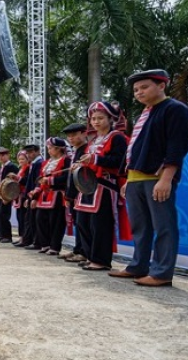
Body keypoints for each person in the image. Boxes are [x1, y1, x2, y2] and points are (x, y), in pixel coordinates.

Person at [108, 69, 188, 287]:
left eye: (144, 87)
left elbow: (177, 145)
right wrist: (128, 179)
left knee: (164, 225)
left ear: (162, 85)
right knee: (140, 226)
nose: (139, 92)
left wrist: (166, 178)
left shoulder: (175, 109)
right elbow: (136, 149)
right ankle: (138, 266)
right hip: (135, 179)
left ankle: (162, 273)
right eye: (136, 89)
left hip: (157, 178)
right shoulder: (145, 113)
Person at [74, 102, 129, 271]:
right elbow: (89, 161)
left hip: (105, 186)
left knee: (100, 224)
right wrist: (80, 165)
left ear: (110, 119)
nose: (96, 122)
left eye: (100, 118)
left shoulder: (117, 137)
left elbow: (120, 162)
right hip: (88, 186)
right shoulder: (94, 140)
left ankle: (101, 260)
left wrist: (95, 160)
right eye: (93, 118)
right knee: (83, 222)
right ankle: (90, 255)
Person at [29, 137, 71, 255]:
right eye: (48, 148)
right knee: (40, 219)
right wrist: (35, 196)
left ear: (59, 149)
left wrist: (50, 180)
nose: (49, 150)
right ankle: (45, 244)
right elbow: (39, 180)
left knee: (56, 221)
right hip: (44, 195)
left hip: (57, 194)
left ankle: (55, 246)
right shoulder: (46, 163)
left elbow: (67, 177)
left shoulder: (66, 161)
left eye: (51, 148)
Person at [60, 122, 89, 264]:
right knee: (78, 223)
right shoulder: (76, 150)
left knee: (83, 224)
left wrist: (71, 195)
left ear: (84, 133)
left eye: (75, 135)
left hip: (82, 192)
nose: (71, 138)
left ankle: (84, 252)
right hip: (73, 193)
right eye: (69, 136)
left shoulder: (86, 150)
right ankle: (78, 249)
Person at [19, 144, 43, 248]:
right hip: (30, 195)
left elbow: (37, 182)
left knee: (34, 220)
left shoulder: (40, 163)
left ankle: (36, 241)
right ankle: (27, 239)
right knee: (28, 219)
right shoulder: (34, 163)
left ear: (37, 152)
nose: (29, 155)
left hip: (35, 194)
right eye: (27, 153)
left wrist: (34, 197)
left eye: (31, 152)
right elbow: (29, 183)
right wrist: (27, 197)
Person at [0, 147, 19, 243]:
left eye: (3, 155)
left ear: (8, 155)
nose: (1, 157)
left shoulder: (12, 167)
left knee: (3, 214)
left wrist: (8, 196)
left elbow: (13, 183)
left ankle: (7, 236)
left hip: (6, 195)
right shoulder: (2, 167)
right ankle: (2, 234)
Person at [11, 151, 29, 246]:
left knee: (23, 218)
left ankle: (25, 238)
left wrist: (17, 178)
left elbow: (26, 181)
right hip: (19, 196)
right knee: (19, 217)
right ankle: (21, 236)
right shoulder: (20, 169)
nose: (21, 161)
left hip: (24, 195)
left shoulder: (28, 169)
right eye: (19, 159)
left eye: (23, 159)